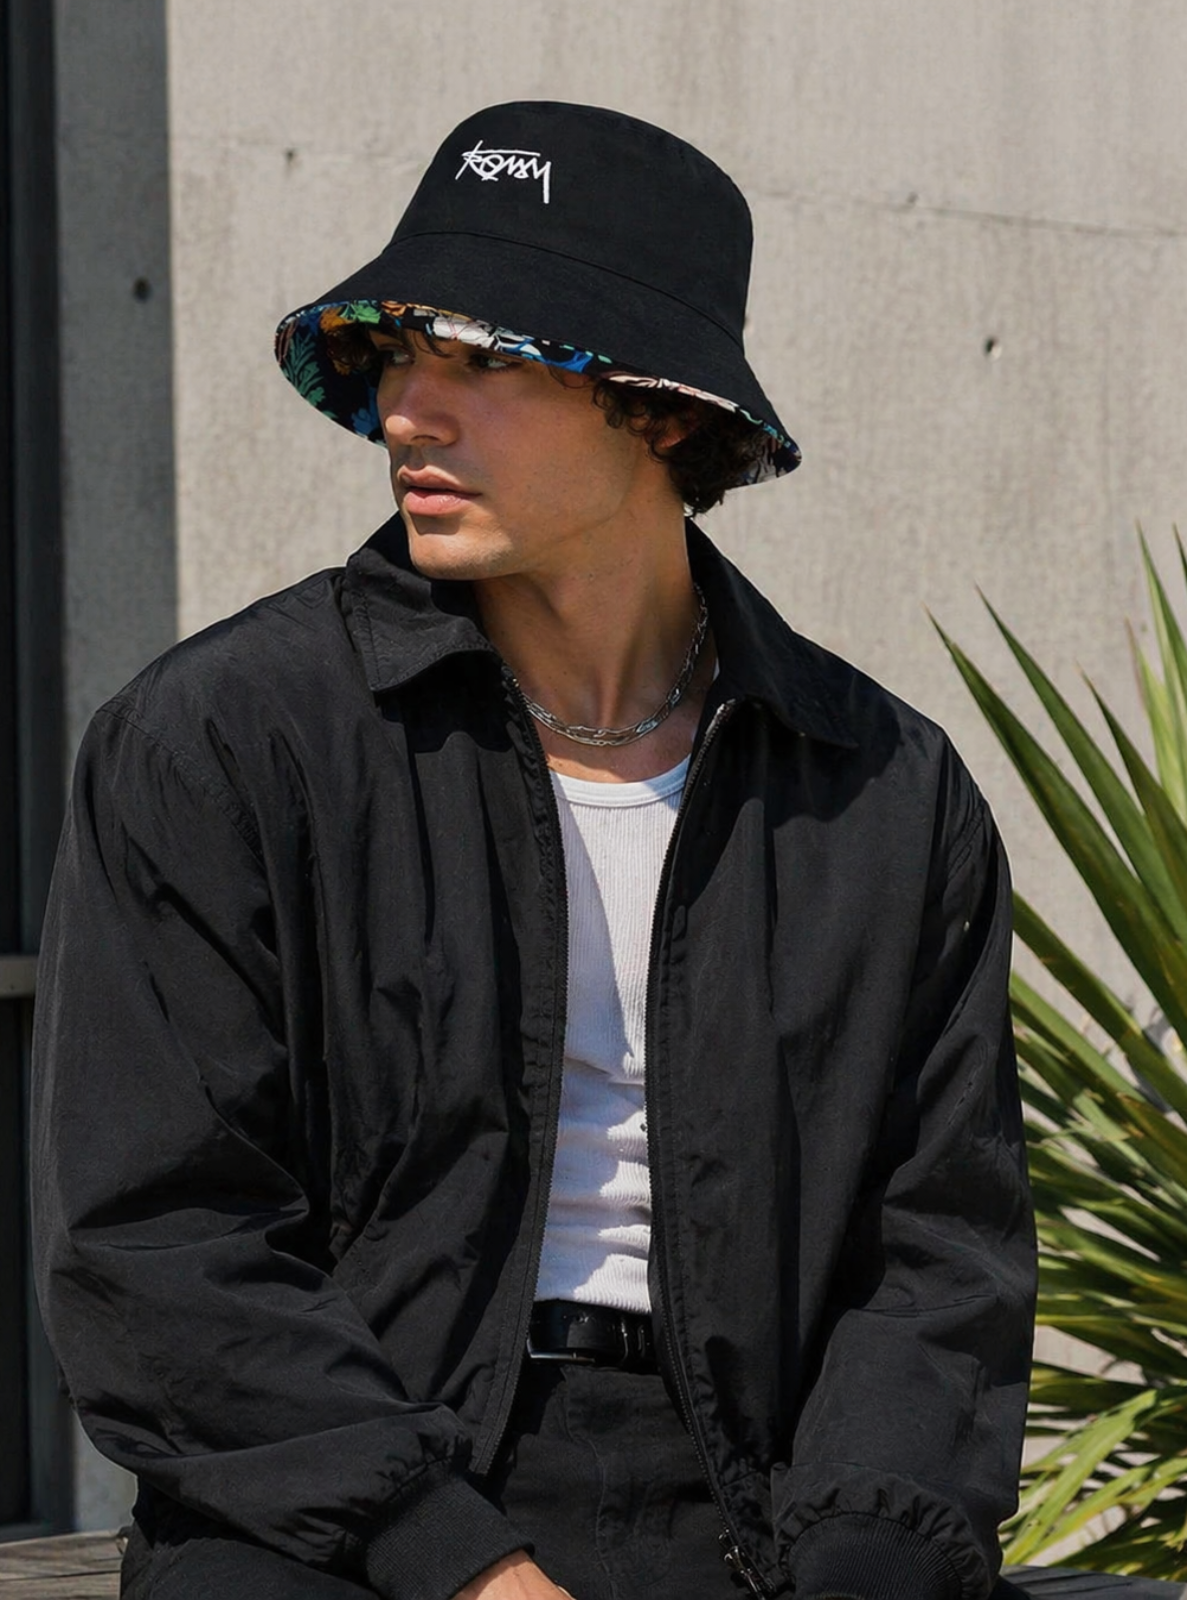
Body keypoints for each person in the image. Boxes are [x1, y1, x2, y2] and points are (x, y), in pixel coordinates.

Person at [33, 102, 1038, 1600]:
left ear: (662, 413)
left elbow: (940, 1262)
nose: (407, 414)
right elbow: (158, 1243)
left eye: (485, 364)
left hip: (767, 1513)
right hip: (334, 1519)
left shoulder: (881, 791)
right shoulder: (224, 744)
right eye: (398, 356)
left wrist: (859, 1568)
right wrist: (457, 1561)